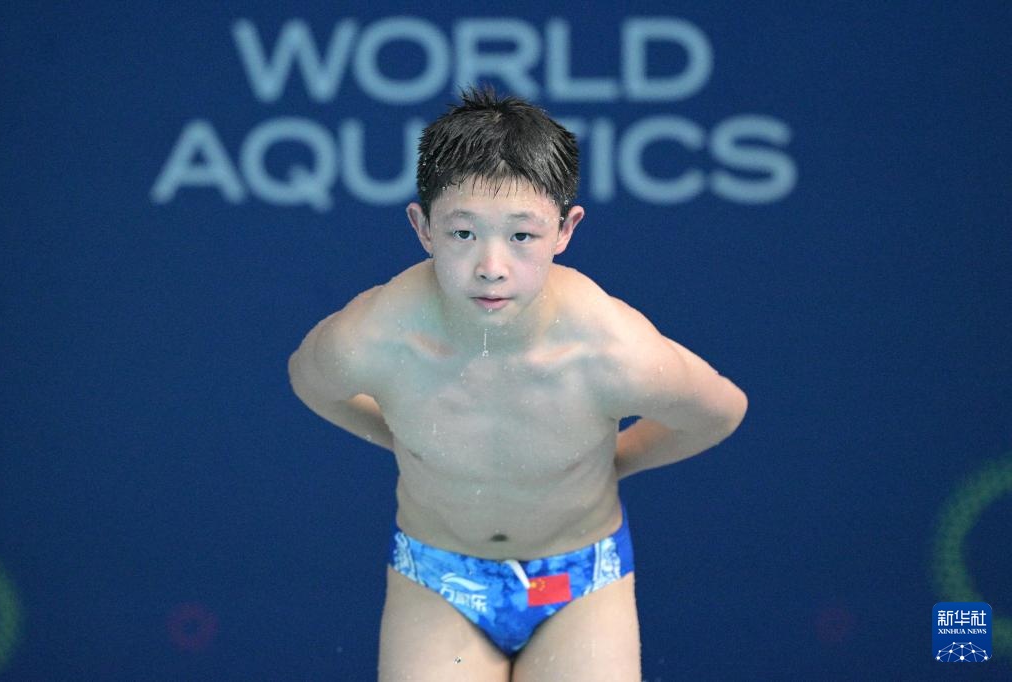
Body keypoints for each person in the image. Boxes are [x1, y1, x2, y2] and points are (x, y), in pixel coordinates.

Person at [288, 87, 747, 681]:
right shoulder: (374, 337)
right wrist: (397, 436)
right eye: (463, 234)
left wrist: (619, 458)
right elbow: (310, 381)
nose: (491, 267)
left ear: (565, 229)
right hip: (437, 579)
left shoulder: (613, 351)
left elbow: (722, 410)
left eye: (522, 236)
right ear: (422, 226)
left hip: (581, 582)